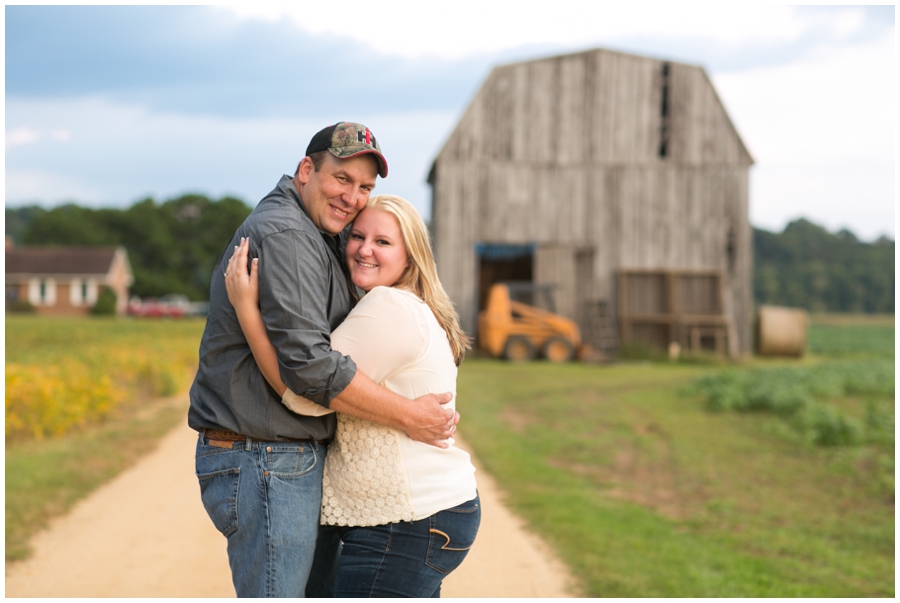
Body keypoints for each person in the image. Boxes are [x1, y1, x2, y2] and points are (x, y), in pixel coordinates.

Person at [188, 123, 458, 598]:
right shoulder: (289, 234)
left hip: (277, 456)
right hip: (266, 456)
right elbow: (311, 373)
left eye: (365, 188)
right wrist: (411, 416)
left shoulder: (320, 232)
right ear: (307, 169)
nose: (351, 197)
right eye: (342, 179)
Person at [224, 194, 480, 597]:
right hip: (426, 516)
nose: (364, 249)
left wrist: (246, 310)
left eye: (383, 242)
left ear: (410, 257)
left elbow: (304, 394)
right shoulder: (410, 306)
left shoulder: (389, 305)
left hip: (407, 521)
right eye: (358, 236)